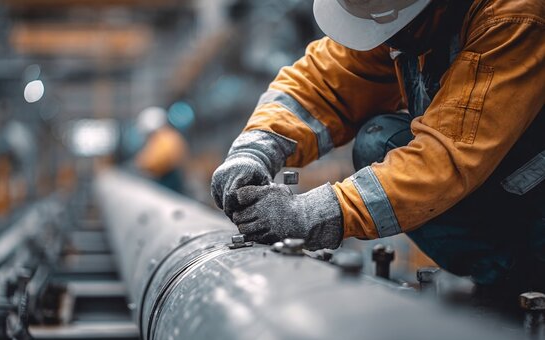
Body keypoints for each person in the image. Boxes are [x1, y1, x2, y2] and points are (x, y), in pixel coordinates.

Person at [211, 0, 544, 293]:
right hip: (501, 188)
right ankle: (498, 275)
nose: (385, 41)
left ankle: (518, 280)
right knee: (379, 140)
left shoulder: (514, 18)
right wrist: (255, 150)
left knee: (376, 142)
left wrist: (316, 214)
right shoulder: (413, 19)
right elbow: (325, 84)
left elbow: (447, 155)